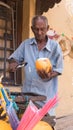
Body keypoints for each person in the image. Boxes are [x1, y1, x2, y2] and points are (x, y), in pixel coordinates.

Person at [8, 15, 63, 129]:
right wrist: (13, 63)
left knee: (45, 127)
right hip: (27, 99)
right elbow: (15, 58)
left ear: (47, 28)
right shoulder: (26, 44)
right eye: (36, 29)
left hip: (45, 100)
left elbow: (58, 69)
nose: (39, 32)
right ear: (32, 29)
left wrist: (50, 74)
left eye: (42, 29)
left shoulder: (55, 47)